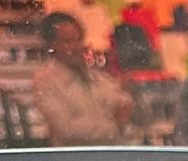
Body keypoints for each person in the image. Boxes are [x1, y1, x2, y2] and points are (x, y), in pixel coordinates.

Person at [30, 13, 134, 146]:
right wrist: (114, 126)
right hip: (75, 158)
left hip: (113, 153)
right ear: (51, 46)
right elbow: (66, 130)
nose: (76, 47)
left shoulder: (97, 77)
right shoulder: (45, 81)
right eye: (68, 41)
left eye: (78, 40)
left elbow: (123, 104)